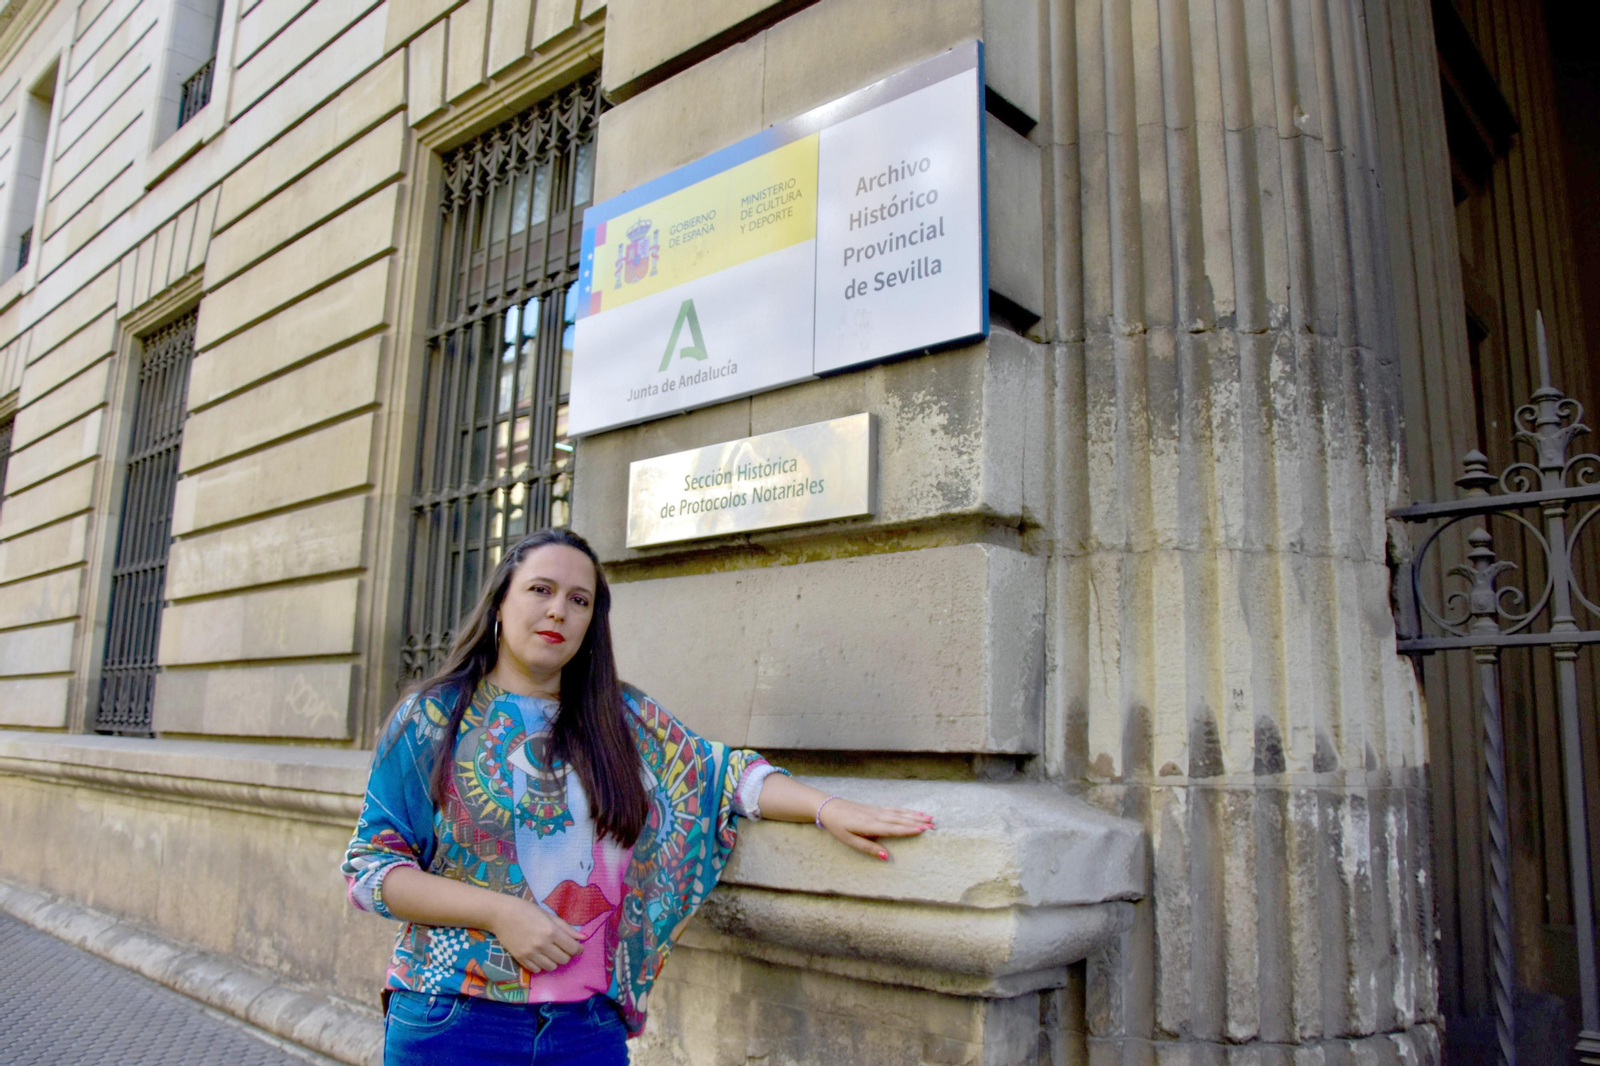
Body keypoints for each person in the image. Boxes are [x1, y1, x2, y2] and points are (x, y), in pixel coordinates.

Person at [342, 528, 933, 1065]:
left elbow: (723, 775)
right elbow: (371, 869)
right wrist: (501, 912)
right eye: (541, 590)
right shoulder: (432, 718)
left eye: (580, 600)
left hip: (585, 1029)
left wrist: (827, 808)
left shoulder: (621, 719)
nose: (558, 610)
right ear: (500, 602)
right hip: (454, 1020)